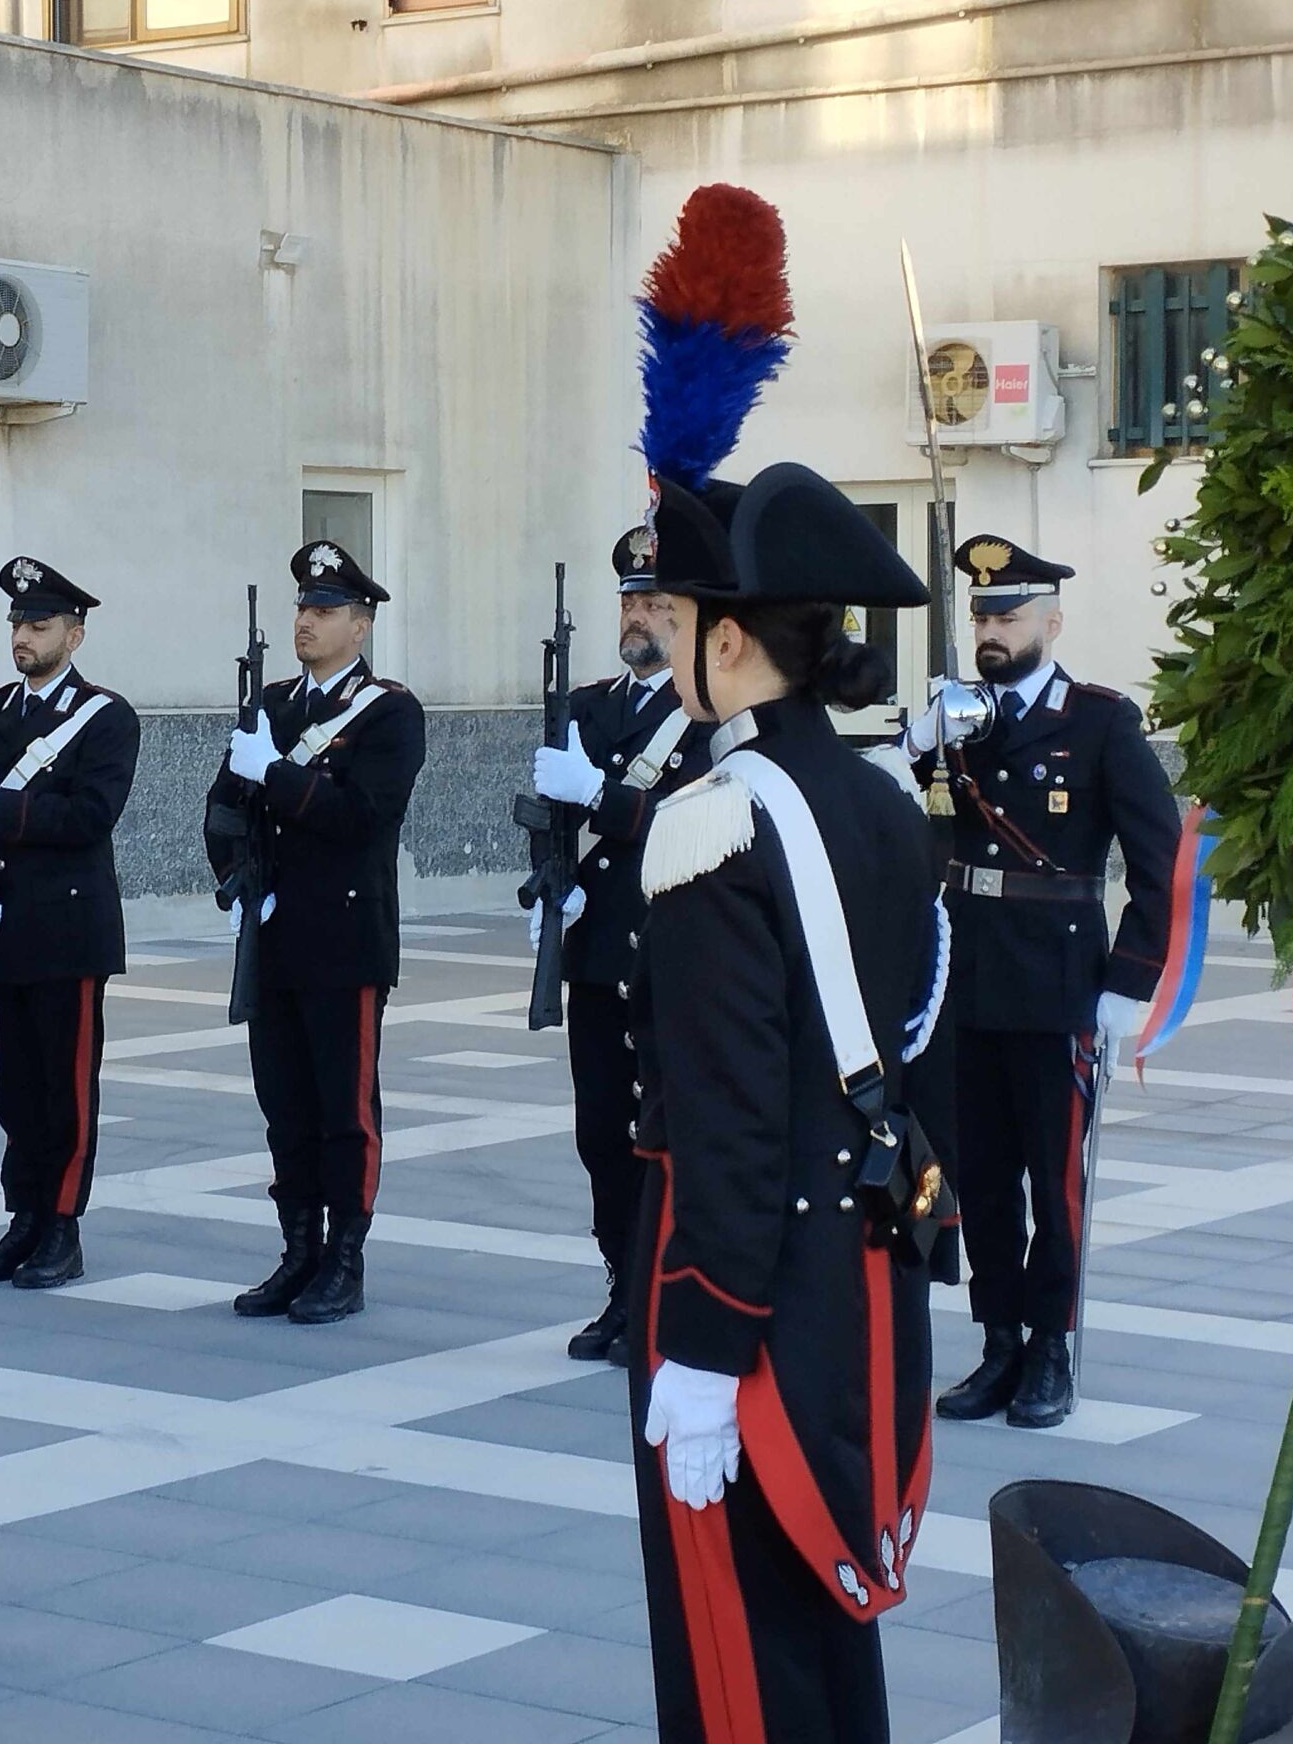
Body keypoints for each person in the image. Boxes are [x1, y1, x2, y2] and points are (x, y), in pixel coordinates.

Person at [630, 460, 949, 1743]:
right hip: (856, 1270)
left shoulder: (711, 819)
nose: (660, 644)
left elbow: (729, 1110)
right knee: (825, 1632)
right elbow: (915, 1012)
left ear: (727, 639)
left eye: (677, 618)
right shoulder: (873, 797)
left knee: (736, 1658)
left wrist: (703, 1342)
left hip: (746, 1286)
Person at [916, 534, 1179, 1430]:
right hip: (967, 977)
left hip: (1058, 981)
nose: (991, 630)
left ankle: (1051, 1349)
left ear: (1051, 623)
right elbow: (914, 839)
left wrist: (1127, 984)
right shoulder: (953, 720)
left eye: (1008, 614)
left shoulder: (1099, 722)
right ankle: (998, 1344)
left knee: (1053, 1184)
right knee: (980, 1177)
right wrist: (913, 750)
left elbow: (1159, 862)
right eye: (981, 615)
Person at [204, 541, 426, 1325]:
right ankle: (297, 1250)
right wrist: (234, 882)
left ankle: (345, 1258)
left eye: (325, 611)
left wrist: (277, 775)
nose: (308, 621)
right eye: (304, 608)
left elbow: (363, 817)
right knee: (286, 1107)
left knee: (344, 1110)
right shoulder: (272, 705)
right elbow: (223, 806)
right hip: (274, 937)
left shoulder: (391, 712)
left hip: (344, 937)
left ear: (360, 627)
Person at [522, 525, 712, 1364]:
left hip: (670, 950)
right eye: (631, 601)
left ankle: (667, 1297)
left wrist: (598, 792)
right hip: (596, 952)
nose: (639, 615)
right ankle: (620, 1286)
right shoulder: (591, 706)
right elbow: (551, 819)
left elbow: (696, 820)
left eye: (656, 603)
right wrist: (544, 887)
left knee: (661, 1135)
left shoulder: (707, 712)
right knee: (600, 1132)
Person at [0, 554, 139, 1291]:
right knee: (18, 1091)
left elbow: (90, 816)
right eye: (17, 624)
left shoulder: (104, 717)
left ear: (75, 633)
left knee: (66, 1090)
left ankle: (62, 1224)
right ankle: (23, 1217)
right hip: (0, 930)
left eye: (39, 624)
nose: (23, 636)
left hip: (67, 932)